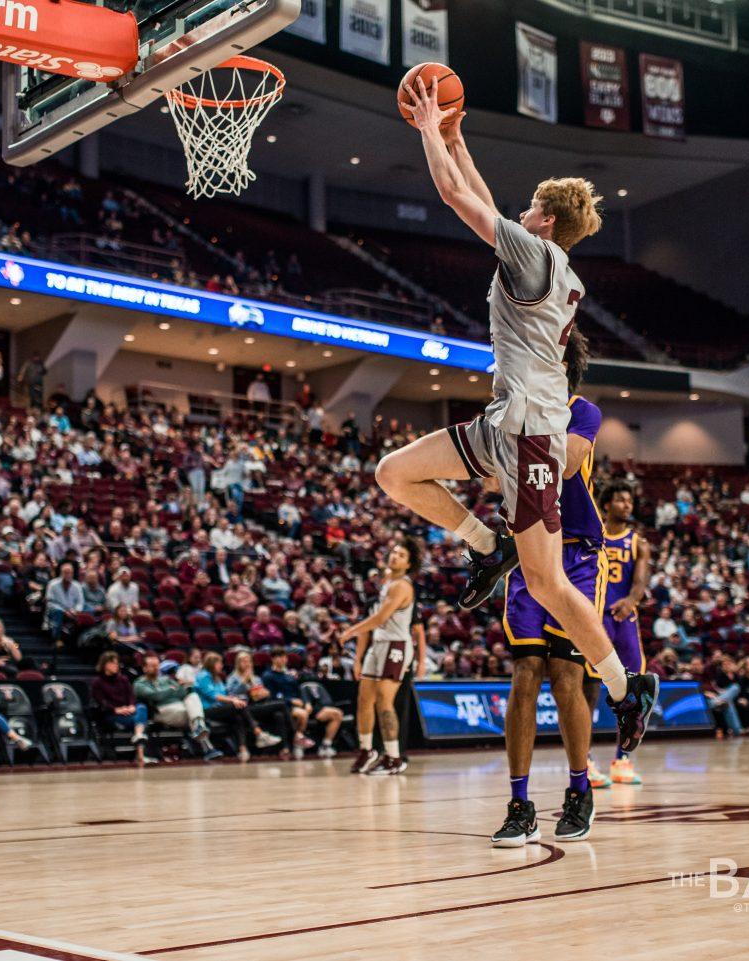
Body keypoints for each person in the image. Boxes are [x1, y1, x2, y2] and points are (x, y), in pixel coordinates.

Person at [373, 79, 657, 763]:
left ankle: (626, 687)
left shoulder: (537, 253)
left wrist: (426, 129)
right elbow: (481, 192)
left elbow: (457, 198)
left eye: (529, 206)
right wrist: (455, 137)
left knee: (550, 584)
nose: (519, 211)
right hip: (503, 421)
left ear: (546, 222)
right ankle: (484, 543)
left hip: (529, 433)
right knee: (395, 472)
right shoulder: (546, 256)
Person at [494, 365, 604, 846]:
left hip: (576, 552)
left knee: (566, 678)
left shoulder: (582, 411)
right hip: (528, 548)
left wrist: (514, 443)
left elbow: (568, 459)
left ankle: (580, 789)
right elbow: (488, 477)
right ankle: (520, 804)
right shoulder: (508, 413)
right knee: (524, 674)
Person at [587, 479, 652, 788]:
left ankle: (621, 760)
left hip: (624, 617)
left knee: (631, 691)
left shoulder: (638, 542)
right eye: (622, 500)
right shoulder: (592, 534)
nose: (628, 505)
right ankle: (583, 761)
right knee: (586, 686)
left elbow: (640, 582)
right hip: (593, 616)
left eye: (630, 500)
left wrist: (631, 600)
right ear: (608, 503)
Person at [342, 540, 424, 775]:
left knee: (384, 701)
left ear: (408, 564)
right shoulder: (387, 583)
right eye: (394, 553)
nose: (395, 556)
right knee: (364, 699)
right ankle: (367, 750)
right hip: (378, 645)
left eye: (401, 554)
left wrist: (350, 631)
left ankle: (394, 757)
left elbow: (379, 619)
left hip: (395, 646)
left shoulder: (402, 586)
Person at [133, 653, 221, 760]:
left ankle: (199, 726)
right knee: (193, 715)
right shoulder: (139, 683)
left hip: (180, 706)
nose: (156, 668)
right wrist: (171, 690)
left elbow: (182, 692)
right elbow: (155, 696)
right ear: (144, 668)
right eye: (152, 665)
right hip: (161, 710)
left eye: (157, 665)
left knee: (192, 695)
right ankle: (207, 746)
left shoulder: (165, 679)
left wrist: (169, 691)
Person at [261, 648, 340, 758]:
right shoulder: (268, 676)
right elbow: (271, 696)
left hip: (301, 705)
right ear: (273, 659)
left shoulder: (290, 675)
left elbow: (300, 691)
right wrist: (290, 700)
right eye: (279, 657)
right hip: (284, 706)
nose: (282, 659)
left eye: (284, 657)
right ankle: (298, 743)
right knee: (302, 714)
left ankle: (326, 745)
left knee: (336, 713)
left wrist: (306, 702)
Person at [91, 652, 151, 764]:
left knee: (141, 708)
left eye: (117, 663)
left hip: (129, 711)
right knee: (141, 722)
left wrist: (131, 706)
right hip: (112, 715)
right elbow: (101, 702)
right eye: (113, 663)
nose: (116, 666)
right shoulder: (97, 683)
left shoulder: (123, 679)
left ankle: (138, 737)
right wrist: (115, 709)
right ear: (105, 664)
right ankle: (141, 755)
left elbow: (131, 696)